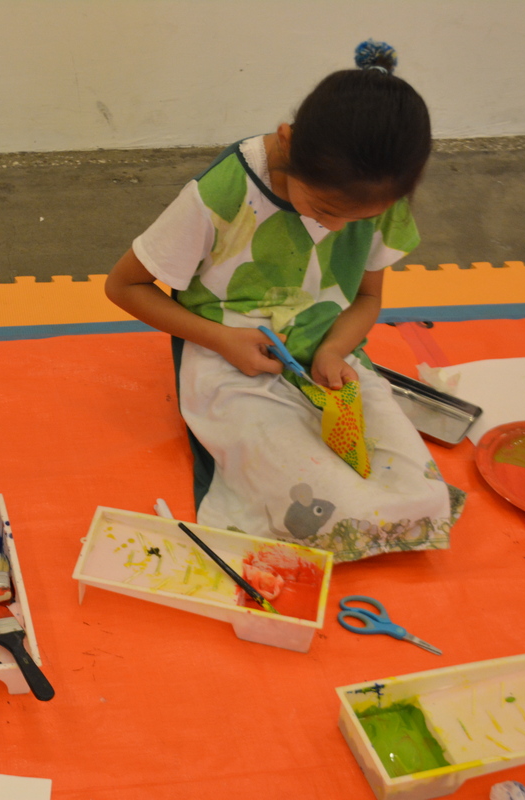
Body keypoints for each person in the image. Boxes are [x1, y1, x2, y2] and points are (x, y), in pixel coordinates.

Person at [105, 41, 464, 562]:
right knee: (328, 505)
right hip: (231, 360)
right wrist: (223, 340)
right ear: (288, 142)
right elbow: (124, 287)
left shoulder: (375, 194)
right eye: (324, 209)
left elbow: (366, 298)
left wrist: (335, 350)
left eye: (359, 220)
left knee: (422, 493)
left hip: (328, 356)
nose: (336, 229)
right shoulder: (225, 193)